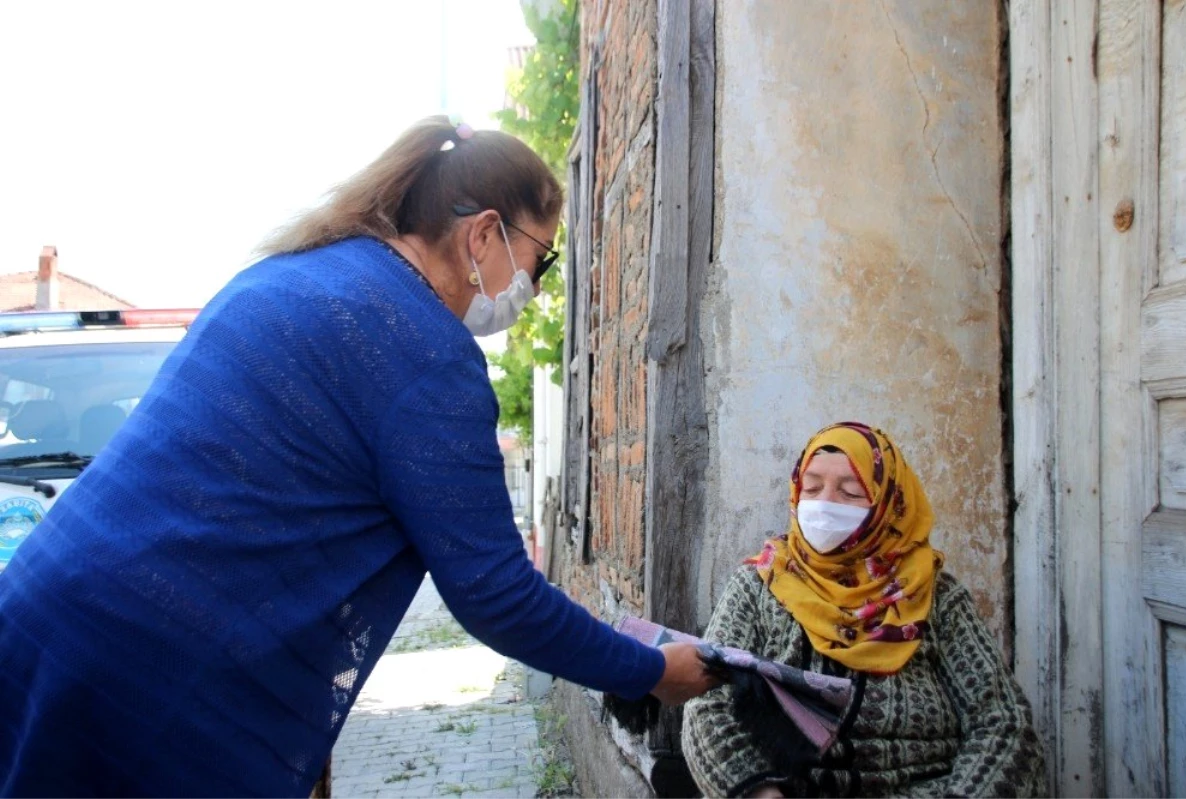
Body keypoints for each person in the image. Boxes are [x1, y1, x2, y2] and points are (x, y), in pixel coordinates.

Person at [0, 116, 714, 798]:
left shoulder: (286, 276)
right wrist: (649, 669)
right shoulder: (430, 356)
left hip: (36, 616)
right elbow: (497, 594)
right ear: (485, 234)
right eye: (542, 257)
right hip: (144, 680)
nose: (536, 284)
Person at [681, 422, 1047, 798]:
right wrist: (761, 794)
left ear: (887, 502)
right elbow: (708, 704)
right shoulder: (761, 584)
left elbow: (1003, 723)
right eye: (812, 488)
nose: (826, 503)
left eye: (851, 492)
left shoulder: (932, 595)